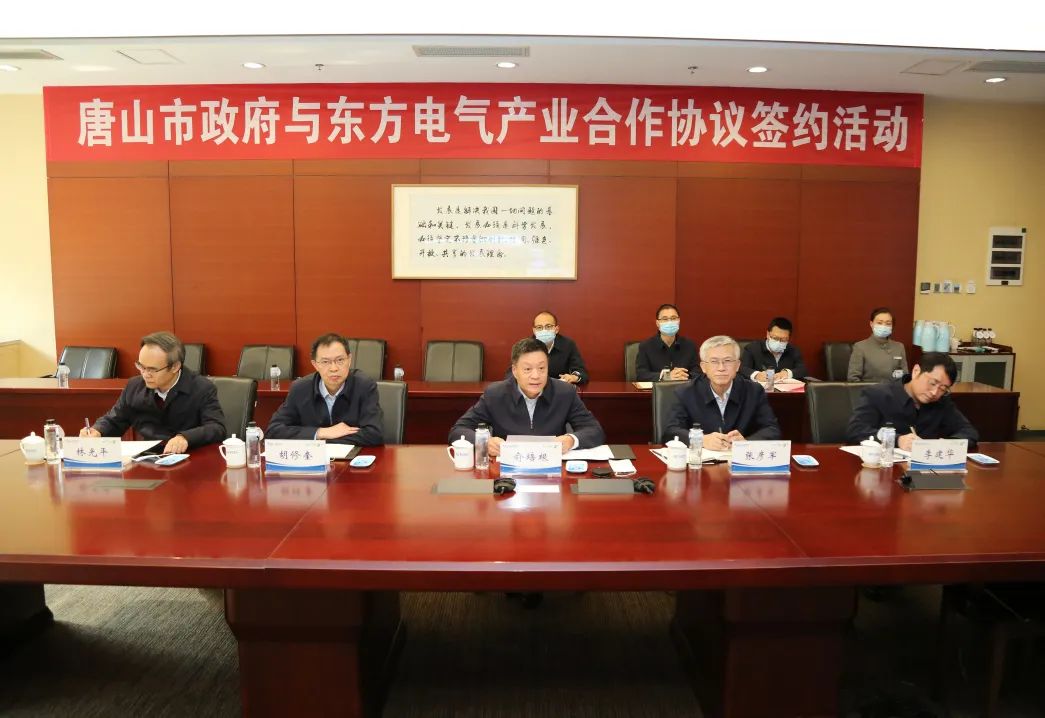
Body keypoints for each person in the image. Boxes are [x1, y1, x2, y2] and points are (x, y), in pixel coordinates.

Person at [451, 337, 605, 456]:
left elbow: (594, 430)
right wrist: (484, 442)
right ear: (515, 370)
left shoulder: (565, 392)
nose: (536, 376)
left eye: (541, 368)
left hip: (551, 468)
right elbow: (458, 430)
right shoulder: (495, 394)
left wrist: (571, 440)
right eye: (527, 369)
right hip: (507, 472)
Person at [81, 331, 225, 453]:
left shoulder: (201, 388)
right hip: (148, 458)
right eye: (141, 366)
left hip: (190, 458)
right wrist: (97, 431)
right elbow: (115, 419)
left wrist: (185, 437)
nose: (145, 374)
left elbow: (216, 428)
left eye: (152, 369)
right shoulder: (134, 386)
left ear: (175, 367)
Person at [662, 335, 781, 450]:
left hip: (739, 459)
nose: (721, 368)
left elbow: (772, 429)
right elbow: (670, 431)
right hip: (702, 460)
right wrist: (701, 439)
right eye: (714, 361)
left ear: (737, 365)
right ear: (703, 367)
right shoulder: (686, 393)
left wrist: (746, 443)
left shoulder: (753, 391)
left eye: (727, 361)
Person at [267, 332, 383, 445]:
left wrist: (321, 441)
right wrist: (321, 433)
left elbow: (374, 434)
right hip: (313, 457)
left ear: (349, 360)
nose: (334, 368)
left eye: (340, 360)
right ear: (315, 365)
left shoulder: (364, 386)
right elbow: (273, 430)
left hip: (354, 456)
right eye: (325, 362)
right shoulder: (300, 389)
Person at [846, 352, 978, 449]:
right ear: (916, 371)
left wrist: (948, 444)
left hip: (927, 471)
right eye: (932, 383)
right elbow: (855, 431)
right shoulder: (878, 395)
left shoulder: (942, 403)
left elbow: (969, 432)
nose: (934, 393)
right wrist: (897, 440)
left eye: (943, 389)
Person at [505, 310, 588, 384]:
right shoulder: (525, 346)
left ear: (556, 329)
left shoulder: (568, 345)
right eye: (539, 327)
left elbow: (581, 372)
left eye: (548, 326)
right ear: (534, 330)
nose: (544, 330)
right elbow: (511, 374)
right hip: (533, 389)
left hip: (559, 390)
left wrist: (573, 377)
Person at [635, 303, 700, 381]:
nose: (670, 322)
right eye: (665, 319)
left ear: (679, 321)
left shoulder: (690, 346)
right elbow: (641, 375)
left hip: (683, 387)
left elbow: (697, 373)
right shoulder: (646, 346)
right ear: (657, 323)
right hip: (657, 388)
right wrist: (665, 376)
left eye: (673, 318)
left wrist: (683, 376)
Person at [848, 306, 908, 382]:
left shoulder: (899, 347)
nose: (884, 326)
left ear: (892, 326)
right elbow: (853, 379)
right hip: (869, 389)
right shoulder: (860, 347)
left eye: (888, 323)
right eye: (879, 323)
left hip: (894, 389)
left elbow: (905, 377)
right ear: (871, 324)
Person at [740, 316, 808, 381]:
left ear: (788, 339)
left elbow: (803, 370)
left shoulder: (793, 351)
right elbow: (742, 369)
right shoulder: (752, 348)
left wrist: (787, 373)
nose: (779, 342)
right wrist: (756, 375)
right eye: (775, 338)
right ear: (768, 334)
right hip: (760, 388)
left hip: (785, 388)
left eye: (783, 340)